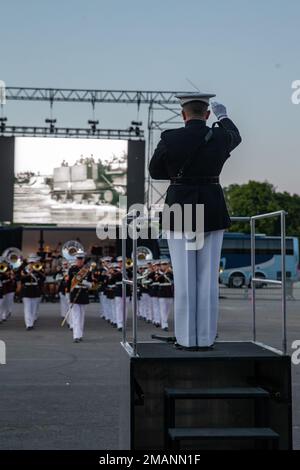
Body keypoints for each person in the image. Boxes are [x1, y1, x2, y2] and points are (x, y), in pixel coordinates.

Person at [149, 92, 241, 350]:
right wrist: (224, 117)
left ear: (183, 114)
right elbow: (236, 136)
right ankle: (206, 337)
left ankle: (187, 339)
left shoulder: (170, 138)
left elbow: (155, 171)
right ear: (208, 114)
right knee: (208, 277)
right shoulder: (221, 135)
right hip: (211, 208)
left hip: (180, 209)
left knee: (185, 277)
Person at [66, 250, 92, 343]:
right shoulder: (72, 269)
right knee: (76, 315)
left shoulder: (87, 270)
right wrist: (68, 294)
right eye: (78, 259)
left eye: (81, 259)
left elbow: (91, 284)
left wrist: (85, 283)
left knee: (82, 316)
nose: (79, 261)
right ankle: (76, 336)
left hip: (83, 293)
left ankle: (80, 335)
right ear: (76, 259)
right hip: (74, 293)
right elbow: (68, 283)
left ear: (83, 260)